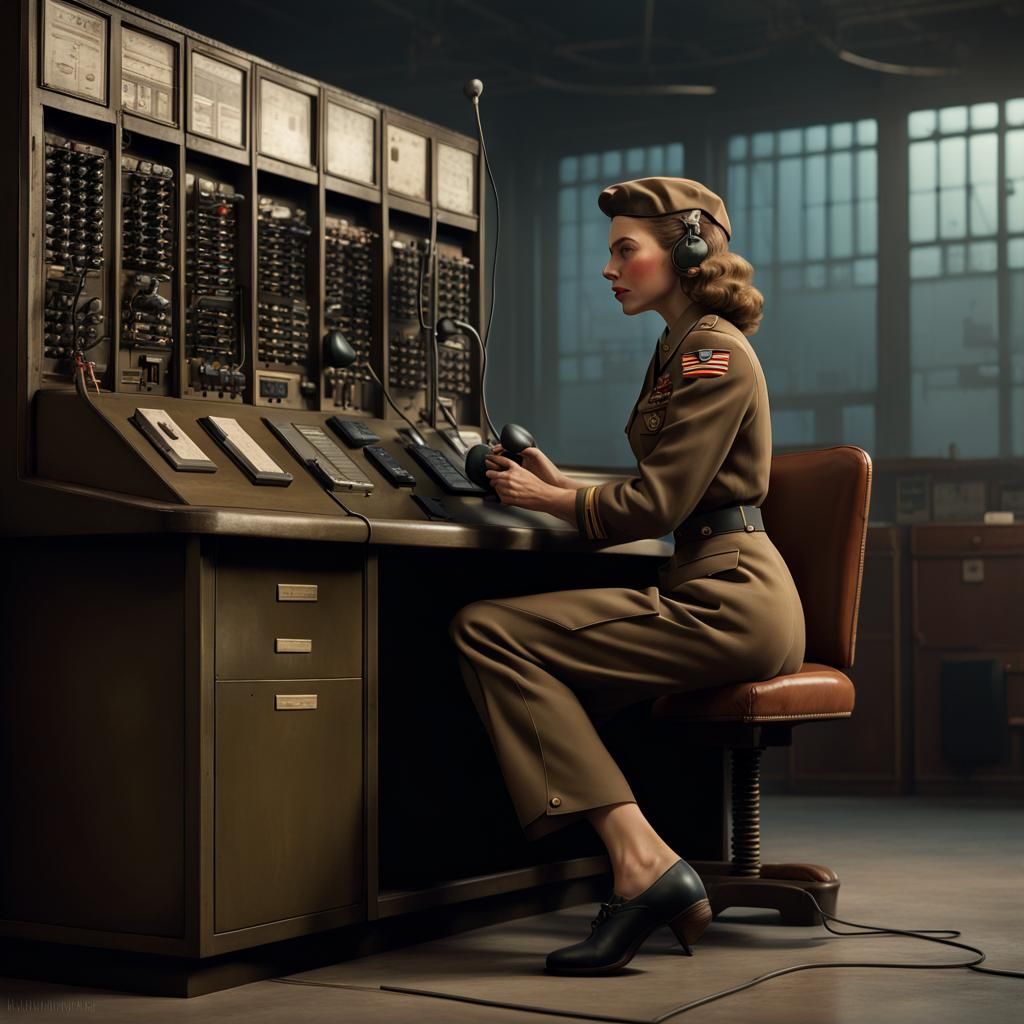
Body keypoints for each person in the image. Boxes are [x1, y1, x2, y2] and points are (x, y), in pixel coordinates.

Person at [448, 176, 806, 975]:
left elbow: (660, 502)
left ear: (686, 250)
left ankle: (641, 862)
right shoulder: (678, 347)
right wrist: (561, 484)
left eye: (624, 250)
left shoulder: (711, 352)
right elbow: (672, 487)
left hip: (731, 599)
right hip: (714, 582)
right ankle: (629, 861)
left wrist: (551, 500)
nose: (609, 270)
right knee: (526, 653)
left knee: (491, 633)